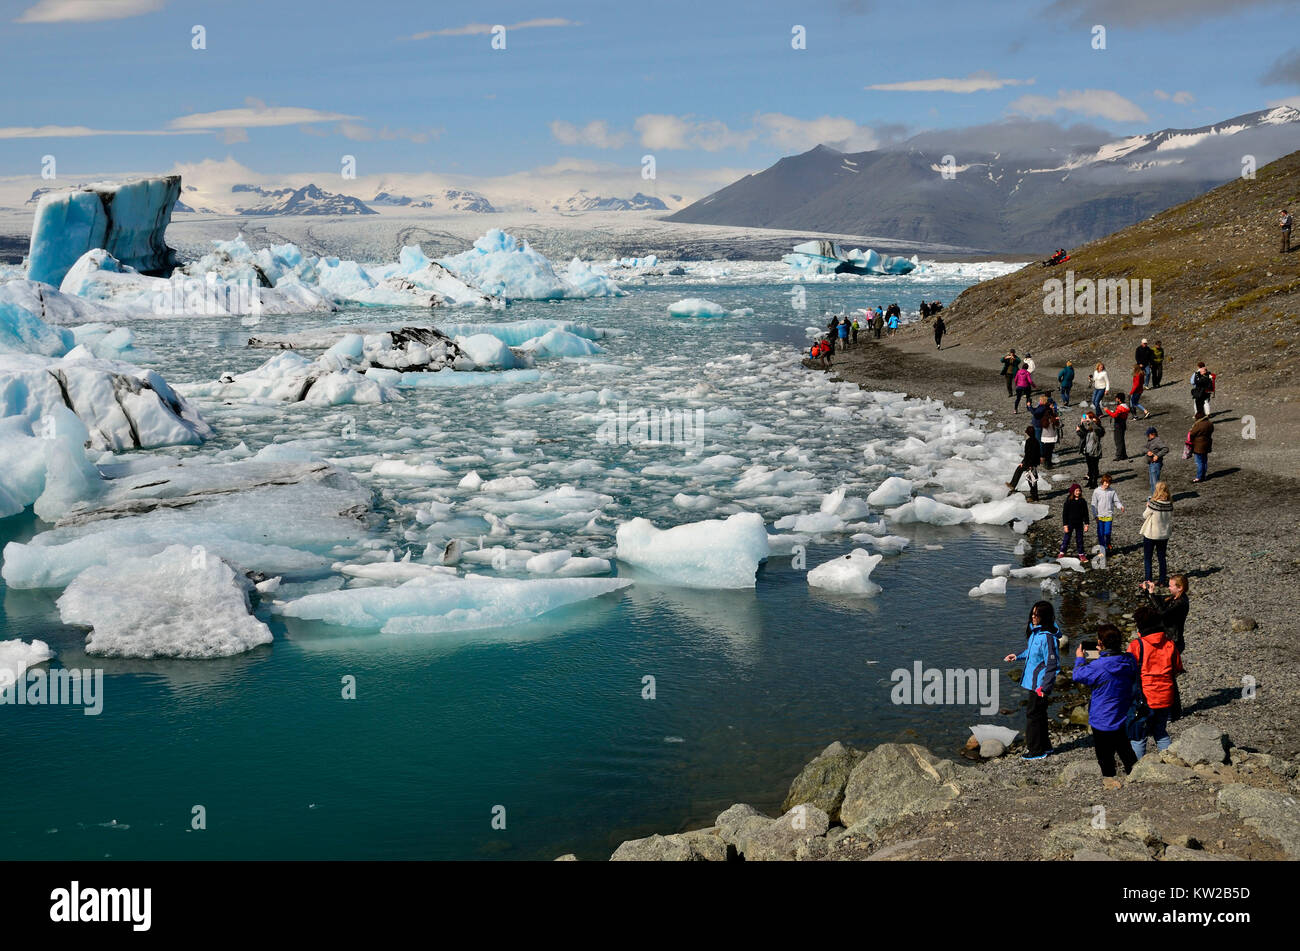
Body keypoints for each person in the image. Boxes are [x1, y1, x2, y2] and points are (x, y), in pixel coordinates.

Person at [1072, 624, 1139, 782]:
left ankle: (1109, 780)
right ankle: (1135, 777)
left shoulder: (1097, 666)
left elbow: (1077, 675)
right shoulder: (1129, 660)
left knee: (1104, 756)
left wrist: (1080, 658)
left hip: (1101, 719)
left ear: (1101, 643)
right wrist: (1103, 654)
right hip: (1122, 714)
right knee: (1125, 751)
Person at [1003, 601, 1060, 760]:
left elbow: (1052, 664)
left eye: (1037, 615)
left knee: (1033, 715)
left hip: (1039, 685)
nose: (1033, 617)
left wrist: (1045, 686)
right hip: (1034, 682)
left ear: (1045, 617)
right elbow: (1032, 652)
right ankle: (1046, 747)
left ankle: (1036, 751)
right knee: (1040, 714)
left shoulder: (1048, 637)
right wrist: (1017, 656)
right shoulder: (1036, 633)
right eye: (1033, 614)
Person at [1127, 604, 1184, 760]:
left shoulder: (1136, 646)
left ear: (1140, 626)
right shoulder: (1169, 644)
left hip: (1145, 699)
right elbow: (1177, 667)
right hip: (1166, 696)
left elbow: (1127, 671)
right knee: (1160, 732)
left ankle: (1136, 768)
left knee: (1139, 736)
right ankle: (1168, 761)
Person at [1144, 573, 1190, 654]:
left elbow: (1161, 612)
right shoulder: (1175, 597)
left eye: (1171, 586)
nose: (1169, 588)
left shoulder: (1181, 603)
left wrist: (1151, 593)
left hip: (1173, 641)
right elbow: (1160, 603)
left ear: (1180, 588)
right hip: (1169, 637)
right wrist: (1148, 590)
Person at [1140, 481, 1173, 587]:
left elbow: (1145, 515)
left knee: (1148, 558)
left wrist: (1147, 506)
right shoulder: (1170, 504)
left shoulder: (1154, 503)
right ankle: (1162, 580)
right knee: (1161, 557)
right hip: (1164, 534)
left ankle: (1148, 581)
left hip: (1152, 534)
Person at [1006, 425, 1042, 500]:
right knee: (1030, 479)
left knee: (1031, 480)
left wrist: (1028, 464)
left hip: (1030, 463)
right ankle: (1034, 496)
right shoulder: (1035, 441)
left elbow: (1029, 454)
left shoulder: (1030, 442)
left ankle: (1034, 496)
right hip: (1031, 463)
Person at [1090, 474, 1124, 554]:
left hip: (1109, 515)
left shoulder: (1112, 491)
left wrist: (1120, 506)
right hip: (1100, 516)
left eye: (1108, 483)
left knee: (1107, 532)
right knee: (1100, 533)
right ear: (1102, 482)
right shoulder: (1097, 491)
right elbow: (1093, 504)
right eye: (1105, 482)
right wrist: (1095, 515)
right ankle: (1102, 547)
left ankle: (1108, 542)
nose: (1107, 484)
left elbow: (1116, 501)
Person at [1058, 482, 1089, 558]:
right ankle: (1062, 552)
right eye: (1076, 491)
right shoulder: (1068, 501)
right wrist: (1065, 525)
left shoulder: (1082, 501)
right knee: (1067, 538)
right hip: (1070, 523)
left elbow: (1086, 513)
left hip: (1079, 523)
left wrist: (1086, 524)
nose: (1078, 492)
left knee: (1080, 539)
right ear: (1072, 491)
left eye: (1079, 491)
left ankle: (1081, 554)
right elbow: (1064, 514)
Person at [1081, 411, 1105, 488]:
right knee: (1090, 468)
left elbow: (1098, 430)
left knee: (1094, 467)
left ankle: (1094, 483)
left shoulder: (1098, 427)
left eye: (1088, 418)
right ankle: (1090, 481)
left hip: (1095, 450)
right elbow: (1084, 433)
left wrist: (1091, 422)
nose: (1087, 420)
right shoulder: (1090, 427)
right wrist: (1081, 424)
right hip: (1088, 449)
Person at [1188, 410, 1213, 483]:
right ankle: (1203, 476)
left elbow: (1192, 433)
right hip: (1207, 444)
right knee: (1204, 461)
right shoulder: (1209, 423)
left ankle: (1198, 477)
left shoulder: (1198, 424)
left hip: (1198, 446)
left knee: (1199, 462)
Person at [1104, 394, 1130, 460]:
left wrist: (1107, 410)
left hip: (1119, 425)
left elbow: (1114, 415)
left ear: (1119, 399)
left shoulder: (1120, 407)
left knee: (1118, 441)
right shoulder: (1126, 406)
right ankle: (1124, 455)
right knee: (1121, 440)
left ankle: (1119, 456)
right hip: (1123, 424)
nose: (1115, 400)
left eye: (1116, 398)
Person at [1143, 427, 1168, 495]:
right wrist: (1148, 451)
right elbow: (1143, 448)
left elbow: (1165, 449)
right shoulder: (1150, 441)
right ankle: (1154, 497)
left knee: (1155, 483)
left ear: (1152, 434)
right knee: (1152, 483)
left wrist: (1157, 456)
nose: (1147, 436)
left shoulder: (1158, 441)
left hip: (1156, 464)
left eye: (1148, 435)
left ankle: (1157, 497)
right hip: (1151, 464)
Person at [1039, 400, 1060, 469]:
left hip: (1046, 436)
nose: (1053, 406)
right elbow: (1056, 424)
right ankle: (1047, 465)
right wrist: (1056, 419)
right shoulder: (1050, 414)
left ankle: (1048, 463)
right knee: (1048, 451)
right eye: (1052, 405)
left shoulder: (1045, 414)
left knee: (1048, 451)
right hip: (1050, 436)